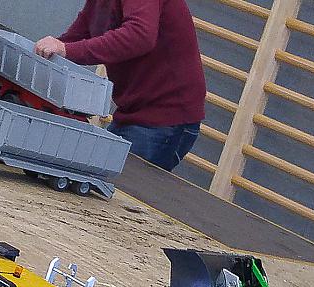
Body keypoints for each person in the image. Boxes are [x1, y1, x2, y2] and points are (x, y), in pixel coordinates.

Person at [35, 0, 206, 172]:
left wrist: (66, 49)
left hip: (164, 119)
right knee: (94, 175)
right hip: (133, 113)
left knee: (112, 186)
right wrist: (50, 52)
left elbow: (140, 35)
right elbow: (86, 27)